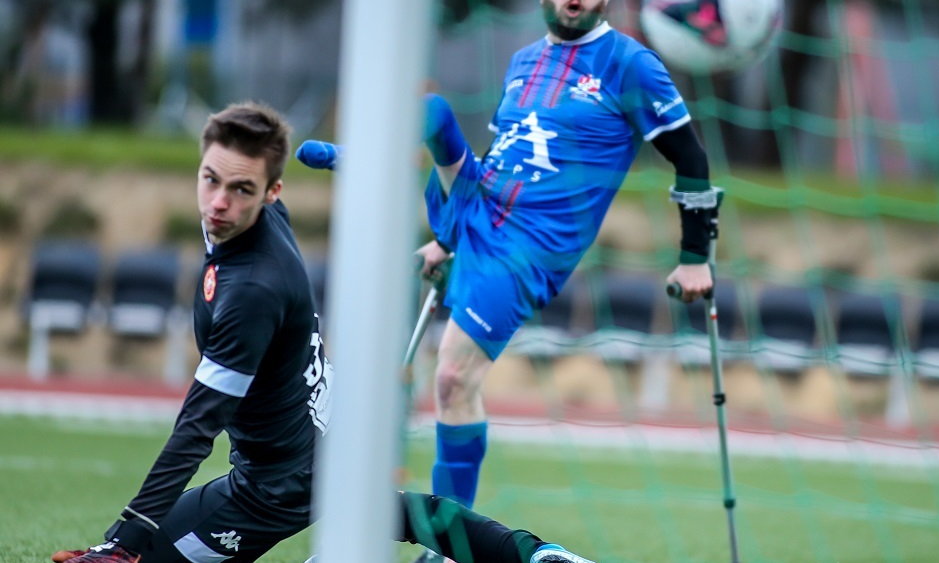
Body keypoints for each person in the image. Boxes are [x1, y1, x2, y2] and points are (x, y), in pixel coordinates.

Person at [301, 0, 720, 563]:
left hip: (531, 245)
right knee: (433, 112)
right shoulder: (523, 60)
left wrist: (695, 256)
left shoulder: (631, 64)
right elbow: (499, 152)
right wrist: (447, 243)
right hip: (478, 209)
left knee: (451, 376)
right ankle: (380, 167)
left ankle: (446, 550)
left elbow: (691, 160)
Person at [51, 103, 595, 563]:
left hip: (272, 490)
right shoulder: (263, 219)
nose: (219, 202)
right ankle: (535, 556)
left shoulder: (251, 292)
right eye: (210, 179)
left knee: (143, 556)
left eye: (241, 189)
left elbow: (198, 427)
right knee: (389, 509)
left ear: (272, 191)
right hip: (324, 434)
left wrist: (126, 539)